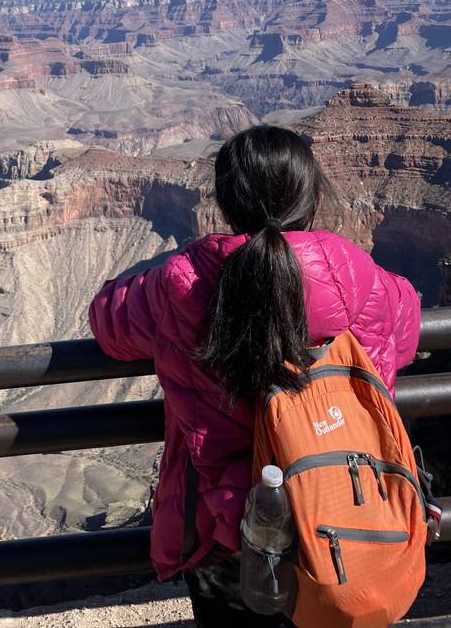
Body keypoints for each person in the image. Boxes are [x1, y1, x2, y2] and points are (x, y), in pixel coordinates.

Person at [88, 125, 421, 628]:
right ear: (312, 199)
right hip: (351, 524)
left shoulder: (182, 281)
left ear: (225, 204)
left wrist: (152, 270)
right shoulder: (360, 274)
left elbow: (107, 323)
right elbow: (408, 329)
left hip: (233, 535)